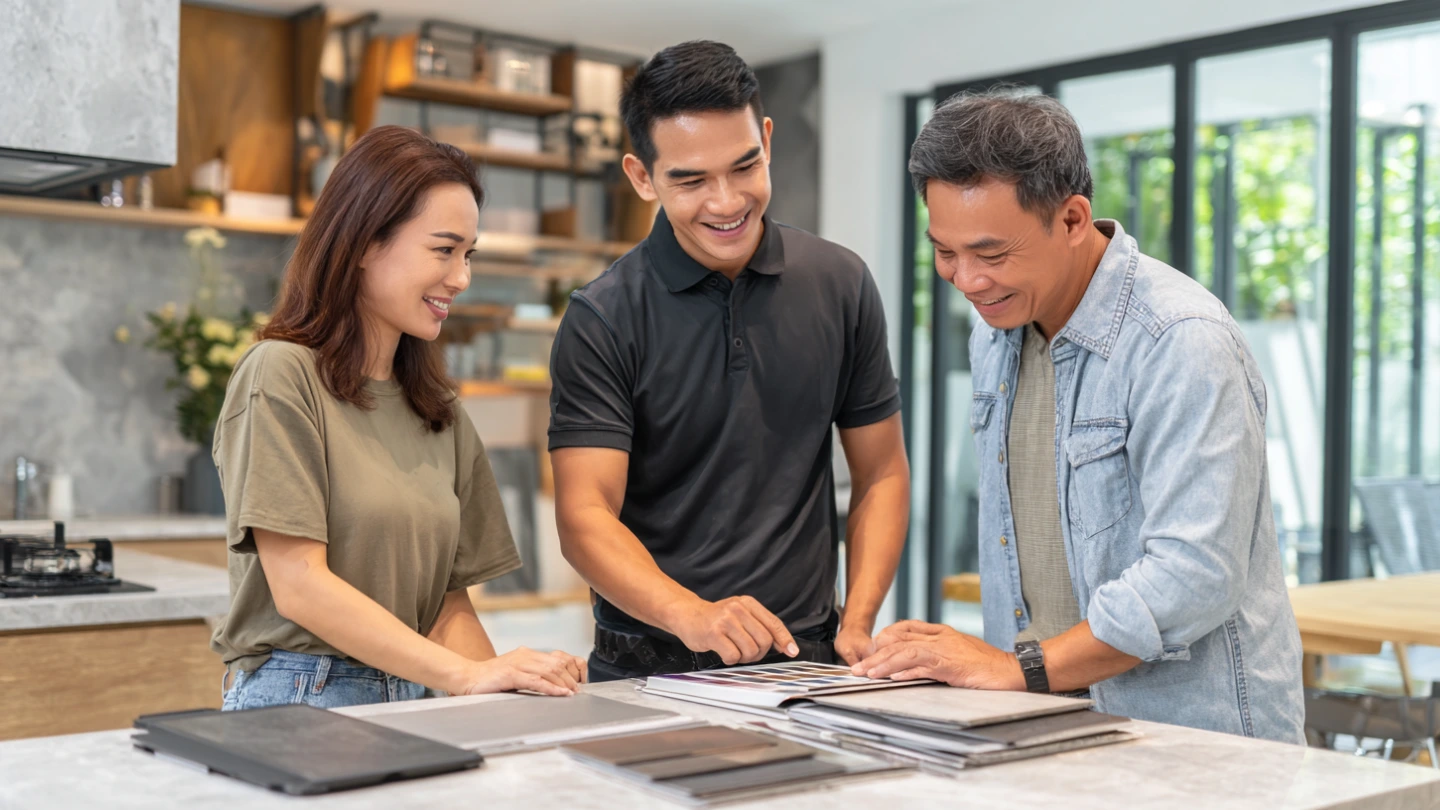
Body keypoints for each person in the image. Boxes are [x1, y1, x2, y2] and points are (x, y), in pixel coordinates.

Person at [854, 90, 1305, 743]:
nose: (967, 281)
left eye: (991, 254)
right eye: (946, 253)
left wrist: (1019, 668)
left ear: (1071, 219)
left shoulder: (1179, 339)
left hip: (1191, 741)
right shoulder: (995, 331)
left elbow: (1194, 575)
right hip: (1048, 721)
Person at [549, 41, 910, 682]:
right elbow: (585, 516)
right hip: (645, 673)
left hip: (807, 665)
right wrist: (691, 615)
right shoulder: (602, 317)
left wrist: (857, 621)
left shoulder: (841, 284)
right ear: (642, 177)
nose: (725, 202)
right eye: (690, 181)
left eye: (745, 167)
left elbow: (881, 471)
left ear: (766, 140)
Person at [210, 125, 587, 710]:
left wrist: (507, 691)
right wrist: (466, 676)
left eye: (468, 254)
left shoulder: (440, 412)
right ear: (364, 242)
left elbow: (447, 607)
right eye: (443, 250)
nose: (461, 277)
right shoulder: (280, 374)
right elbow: (299, 585)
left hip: (415, 694)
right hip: (300, 696)